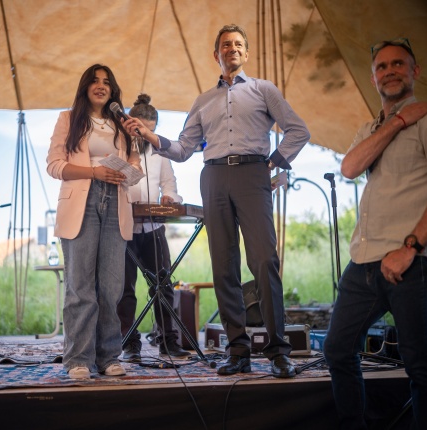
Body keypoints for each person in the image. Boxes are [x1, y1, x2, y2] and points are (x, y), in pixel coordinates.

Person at [123, 24, 309, 378]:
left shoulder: (263, 89)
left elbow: (299, 130)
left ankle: (278, 350)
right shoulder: (202, 101)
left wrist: (273, 162)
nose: (232, 49)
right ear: (216, 54)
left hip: (253, 173)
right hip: (213, 176)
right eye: (226, 45)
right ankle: (237, 350)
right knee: (224, 266)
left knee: (264, 260)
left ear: (246, 53)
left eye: (238, 44)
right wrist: (150, 135)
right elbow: (181, 150)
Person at [323, 38, 427, 429]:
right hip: (364, 260)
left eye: (398, 64)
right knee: (338, 349)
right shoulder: (370, 128)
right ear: (374, 77)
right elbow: (350, 168)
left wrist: (411, 248)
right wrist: (396, 122)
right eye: (381, 67)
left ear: (415, 71)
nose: (389, 71)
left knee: (419, 362)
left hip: (410, 258)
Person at [46, 64, 141, 380]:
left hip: (116, 201)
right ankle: (78, 359)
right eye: (95, 81)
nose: (101, 86)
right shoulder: (68, 119)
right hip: (82, 202)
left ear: (113, 90)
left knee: (111, 287)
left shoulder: (121, 123)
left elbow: (134, 163)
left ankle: (109, 356)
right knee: (80, 287)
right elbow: (55, 165)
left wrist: (128, 167)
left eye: (107, 82)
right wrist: (94, 172)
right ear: (85, 85)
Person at [117, 93, 191, 361]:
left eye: (149, 130)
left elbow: (169, 185)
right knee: (125, 289)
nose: (143, 133)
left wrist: (171, 198)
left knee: (162, 284)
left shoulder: (160, 152)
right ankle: (129, 344)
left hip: (153, 229)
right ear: (128, 123)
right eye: (139, 128)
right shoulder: (118, 146)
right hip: (124, 227)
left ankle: (168, 341)